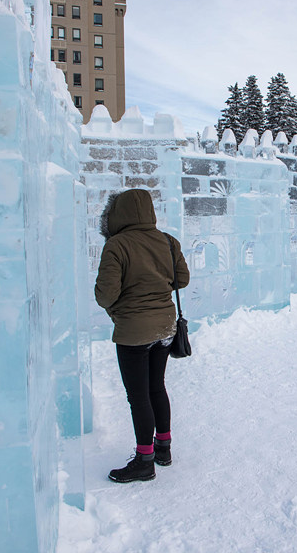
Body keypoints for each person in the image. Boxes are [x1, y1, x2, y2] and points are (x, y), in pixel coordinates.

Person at [94, 189, 190, 483]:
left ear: (117, 214)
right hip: (165, 328)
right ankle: (163, 449)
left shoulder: (116, 245)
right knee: (156, 387)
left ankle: (144, 461)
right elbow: (182, 279)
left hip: (133, 332)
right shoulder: (167, 241)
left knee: (138, 396)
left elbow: (105, 294)